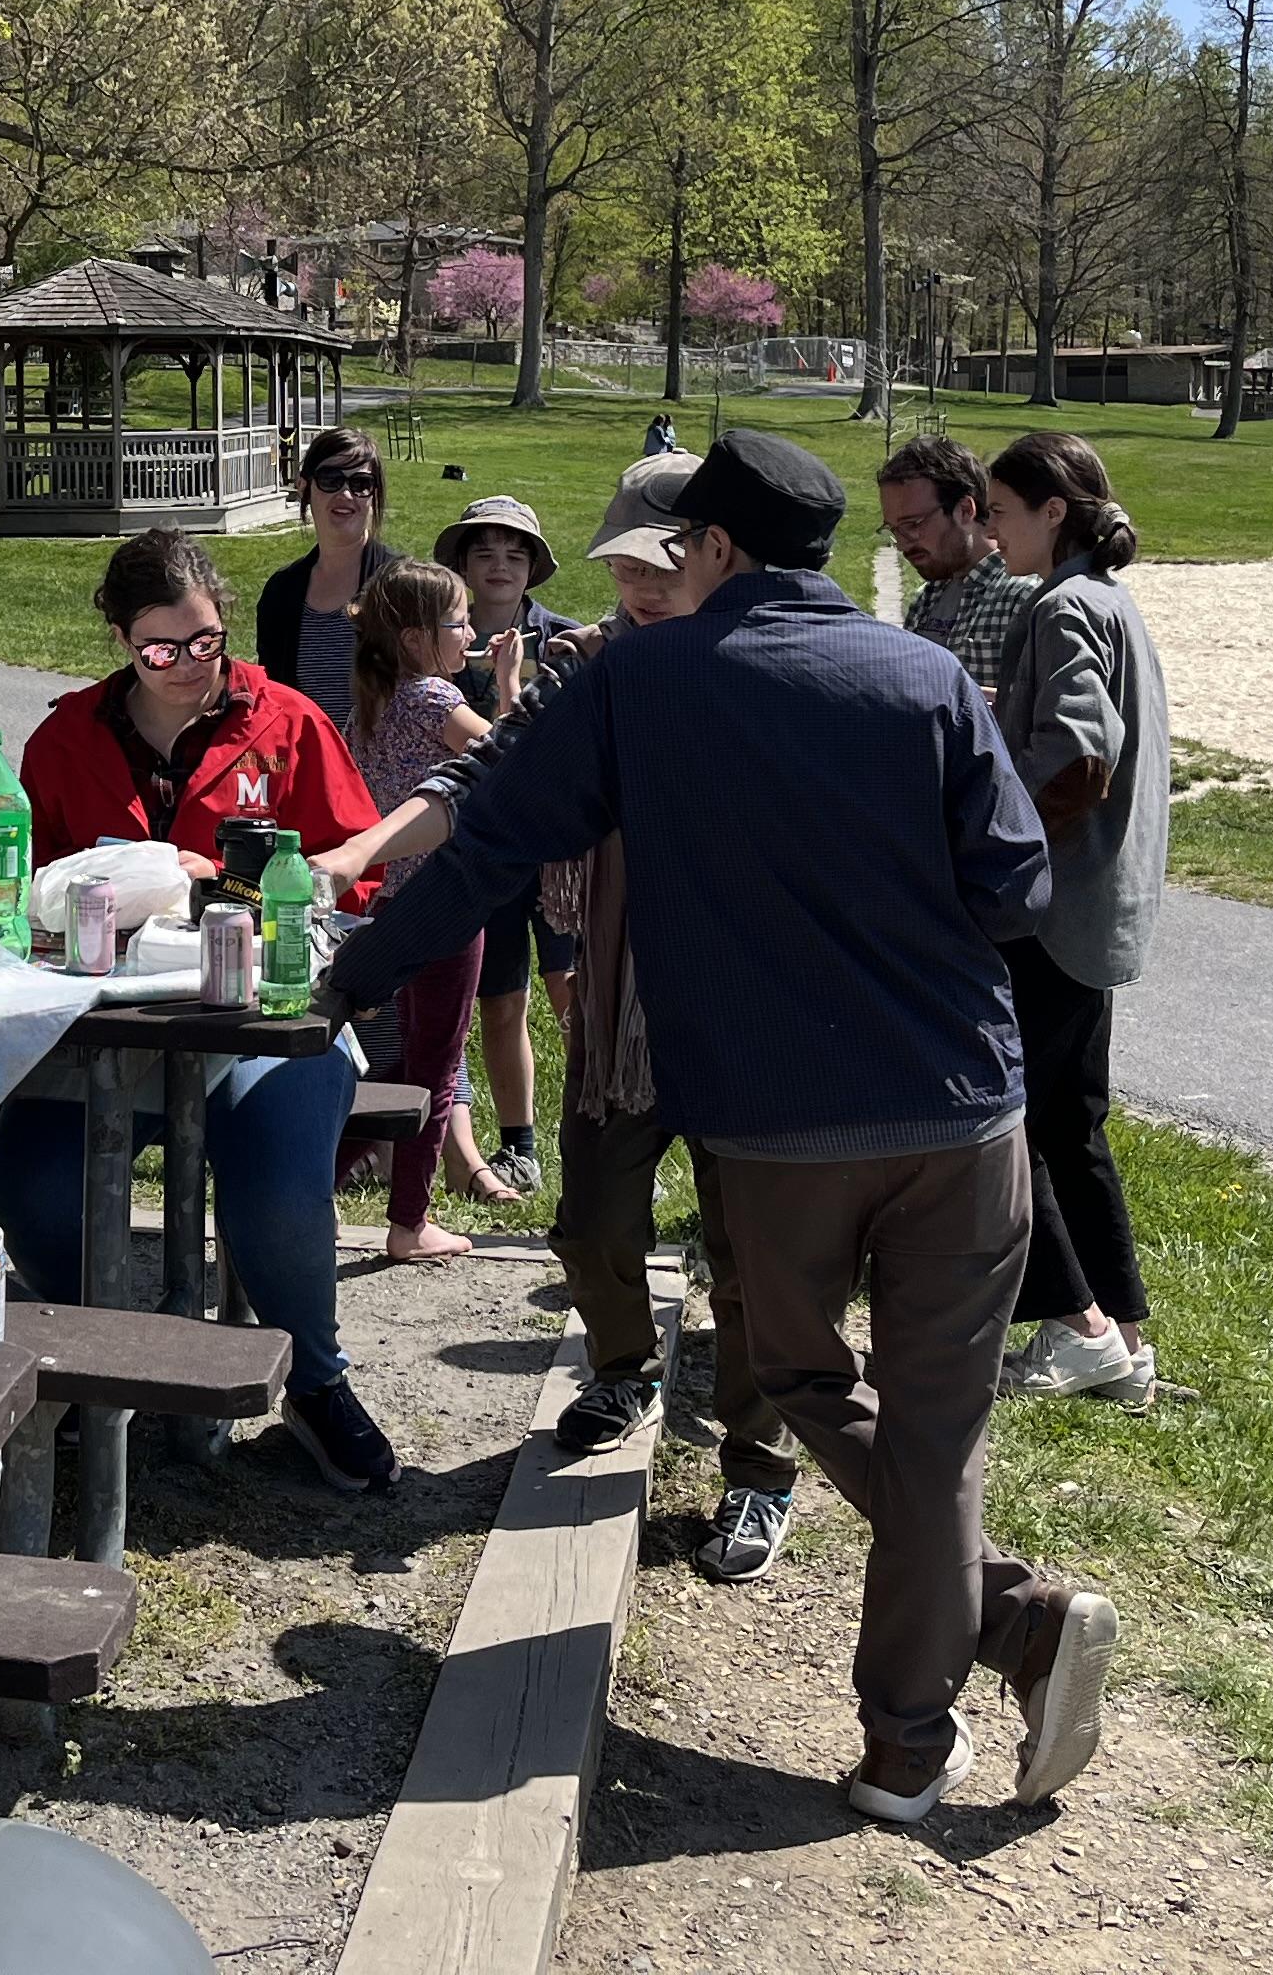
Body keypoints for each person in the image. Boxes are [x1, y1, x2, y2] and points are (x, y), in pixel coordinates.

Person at [321, 429, 1118, 1824]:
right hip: (966, 1113)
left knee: (815, 1386)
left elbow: (495, 844)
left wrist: (349, 976)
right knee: (933, 1437)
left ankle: (996, 1650)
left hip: (780, 1122)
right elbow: (1013, 892)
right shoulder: (927, 675)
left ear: (720, 549)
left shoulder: (642, 680)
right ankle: (914, 1731)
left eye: (686, 543)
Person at [318, 453, 807, 1585]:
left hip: (746, 1018)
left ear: (717, 563)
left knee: (751, 1259)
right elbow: (480, 783)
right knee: (590, 1222)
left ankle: (756, 1470)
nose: (638, 586)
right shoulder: (588, 669)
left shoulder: (769, 675)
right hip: (618, 1006)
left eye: (662, 564)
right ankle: (625, 1371)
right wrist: (360, 848)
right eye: (625, 565)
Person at [0, 526, 402, 1491]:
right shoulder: (68, 736)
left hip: (267, 1016)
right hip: (110, 1027)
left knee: (273, 1188)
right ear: (124, 642)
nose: (186, 667)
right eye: (160, 650)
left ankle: (314, 1381)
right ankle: (103, 1352)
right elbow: (21, 894)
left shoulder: (288, 722)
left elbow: (359, 881)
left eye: (206, 641)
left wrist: (223, 884)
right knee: (30, 1191)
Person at [984, 431, 1173, 1411]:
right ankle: (1127, 1343)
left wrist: (997, 837)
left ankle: (1079, 1327)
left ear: (1053, 512)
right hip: (1101, 914)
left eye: (1000, 512)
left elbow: (1081, 762)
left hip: (1049, 916)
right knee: (1071, 1127)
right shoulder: (1111, 602)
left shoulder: (1060, 605)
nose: (989, 529)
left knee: (1000, 1124)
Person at [343, 558, 501, 1256]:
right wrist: (511, 684)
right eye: (458, 621)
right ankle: (410, 1222)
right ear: (415, 638)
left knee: (402, 1064)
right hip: (446, 901)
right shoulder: (435, 697)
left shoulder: (374, 701)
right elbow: (509, 760)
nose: (470, 631)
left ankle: (317, 1178)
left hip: (390, 902)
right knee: (434, 1066)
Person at [429, 493, 575, 1197]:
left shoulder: (566, 641)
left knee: (574, 993)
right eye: (484, 553)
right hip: (477, 845)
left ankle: (603, 1135)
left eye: (516, 555)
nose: (499, 566)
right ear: (460, 565)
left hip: (556, 846)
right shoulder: (436, 651)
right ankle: (520, 1142)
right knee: (500, 996)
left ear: (534, 570)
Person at [880, 432, 1036, 697]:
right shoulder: (927, 598)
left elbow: (1043, 712)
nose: (903, 544)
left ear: (965, 510)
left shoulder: (1022, 597)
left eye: (913, 526)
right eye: (895, 530)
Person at [253, 424, 391, 715]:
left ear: (373, 494)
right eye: (330, 479)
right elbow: (272, 694)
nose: (346, 494)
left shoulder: (398, 583)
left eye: (361, 483)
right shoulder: (281, 591)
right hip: (306, 758)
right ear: (304, 486)